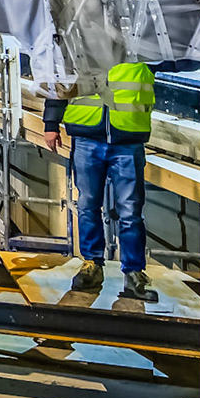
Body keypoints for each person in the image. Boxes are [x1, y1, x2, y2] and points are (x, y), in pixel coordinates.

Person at [43, 59, 158, 301]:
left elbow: (180, 55)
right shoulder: (80, 40)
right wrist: (51, 122)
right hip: (87, 136)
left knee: (131, 211)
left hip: (127, 139)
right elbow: (61, 78)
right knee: (88, 205)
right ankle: (91, 264)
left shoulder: (141, 41)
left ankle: (134, 273)